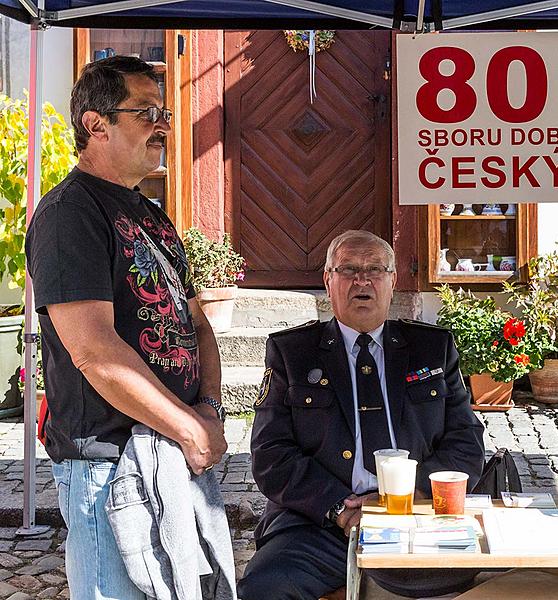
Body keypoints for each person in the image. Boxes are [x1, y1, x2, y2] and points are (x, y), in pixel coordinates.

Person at [24, 56, 229, 598]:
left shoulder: (150, 213)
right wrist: (188, 427)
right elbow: (94, 352)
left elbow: (195, 322)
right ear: (96, 125)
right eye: (146, 112)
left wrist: (208, 407)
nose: (162, 124)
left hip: (167, 453)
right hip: (107, 467)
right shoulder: (70, 215)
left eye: (163, 112)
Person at [239, 230, 485, 600]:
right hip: (321, 525)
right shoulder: (293, 352)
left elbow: (465, 444)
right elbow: (271, 455)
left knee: (506, 578)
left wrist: (410, 495)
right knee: (266, 585)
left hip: (420, 517)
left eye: (375, 270)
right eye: (348, 269)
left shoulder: (432, 349)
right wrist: (339, 506)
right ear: (328, 280)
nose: (362, 281)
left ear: (392, 280)